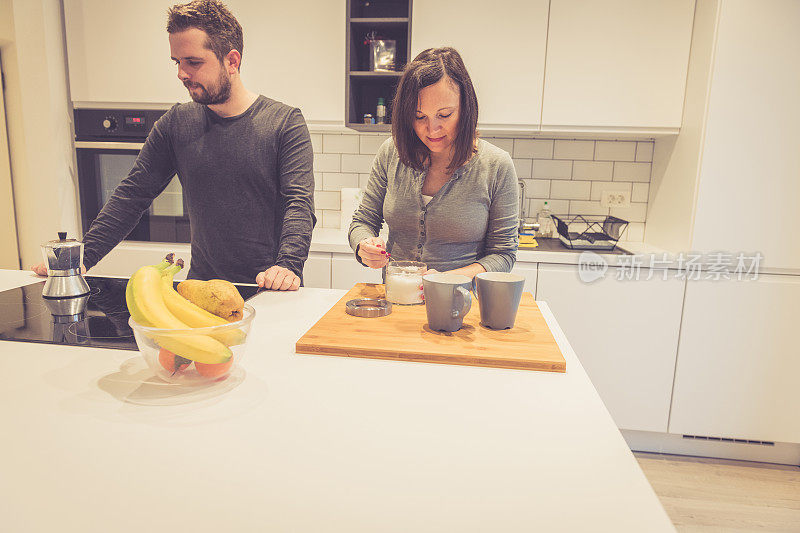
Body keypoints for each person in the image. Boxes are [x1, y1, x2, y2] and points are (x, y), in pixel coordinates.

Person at [31, 0, 315, 290]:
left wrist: (287, 265)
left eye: (193, 62)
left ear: (232, 61)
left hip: (271, 289)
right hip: (200, 290)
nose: (181, 73)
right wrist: (84, 257)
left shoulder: (284, 123)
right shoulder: (176, 123)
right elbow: (132, 196)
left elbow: (299, 203)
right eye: (177, 62)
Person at [349, 47, 518, 279]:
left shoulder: (496, 166)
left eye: (445, 115)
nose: (432, 129)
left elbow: (503, 254)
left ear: (466, 108)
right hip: (398, 300)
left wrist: (446, 280)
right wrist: (363, 246)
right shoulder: (391, 152)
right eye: (420, 117)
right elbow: (363, 220)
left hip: (462, 304)